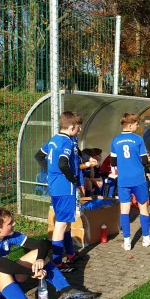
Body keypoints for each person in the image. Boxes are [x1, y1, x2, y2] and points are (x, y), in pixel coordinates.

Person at [34, 111, 96, 272]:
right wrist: (73, 180)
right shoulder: (66, 143)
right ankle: (56, 263)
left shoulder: (56, 139)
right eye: (78, 127)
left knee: (66, 223)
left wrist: (50, 172)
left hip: (57, 186)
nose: (80, 130)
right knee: (61, 225)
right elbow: (63, 164)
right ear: (71, 127)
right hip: (64, 188)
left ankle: (70, 254)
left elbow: (39, 155)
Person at [110, 113, 150, 251]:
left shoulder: (115, 140)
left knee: (125, 210)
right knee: (143, 207)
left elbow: (113, 162)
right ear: (130, 125)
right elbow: (144, 161)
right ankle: (146, 239)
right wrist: (145, 159)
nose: (138, 126)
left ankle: (126, 242)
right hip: (138, 179)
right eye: (137, 124)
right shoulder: (138, 139)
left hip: (123, 180)